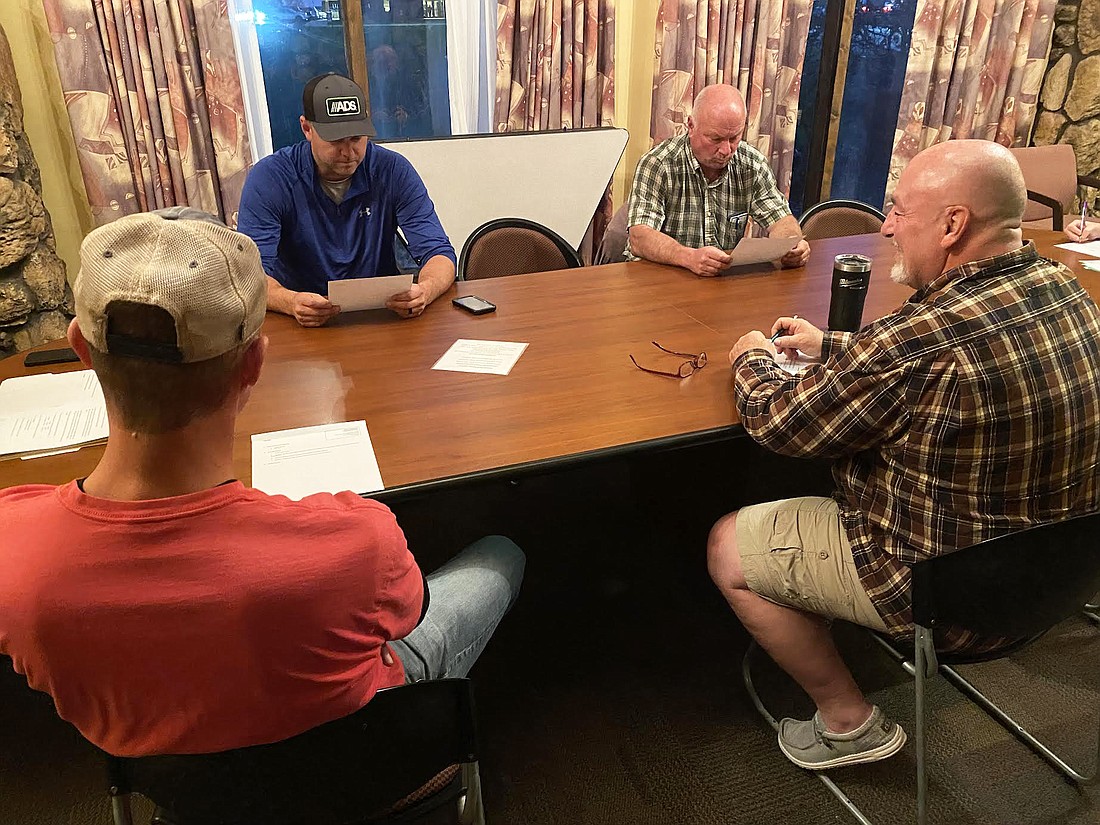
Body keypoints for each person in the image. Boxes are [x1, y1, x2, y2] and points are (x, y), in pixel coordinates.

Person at [0, 209, 523, 757]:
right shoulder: (360, 540)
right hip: (361, 756)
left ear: (81, 347)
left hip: (173, 789)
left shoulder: (15, 551)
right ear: (253, 362)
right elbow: (405, 616)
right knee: (501, 555)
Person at [707, 140, 1100, 770]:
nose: (885, 226)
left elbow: (779, 424)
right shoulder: (1064, 290)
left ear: (952, 225)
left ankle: (847, 721)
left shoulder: (920, 337)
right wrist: (835, 344)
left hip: (947, 596)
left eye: (899, 210)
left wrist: (750, 356)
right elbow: (916, 363)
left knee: (728, 544)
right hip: (1056, 581)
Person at [237, 73, 455, 327]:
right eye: (336, 140)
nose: (348, 152)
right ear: (307, 128)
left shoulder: (393, 170)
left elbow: (439, 253)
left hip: (380, 317)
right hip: (298, 321)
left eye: (356, 138)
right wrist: (289, 301)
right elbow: (250, 274)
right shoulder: (271, 178)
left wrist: (425, 291)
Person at [626, 84, 810, 276]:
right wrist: (688, 257)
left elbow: (781, 220)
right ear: (690, 126)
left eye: (734, 138)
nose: (726, 150)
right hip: (662, 278)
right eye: (715, 139)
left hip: (719, 280)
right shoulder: (659, 163)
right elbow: (639, 237)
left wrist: (791, 244)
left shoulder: (752, 164)